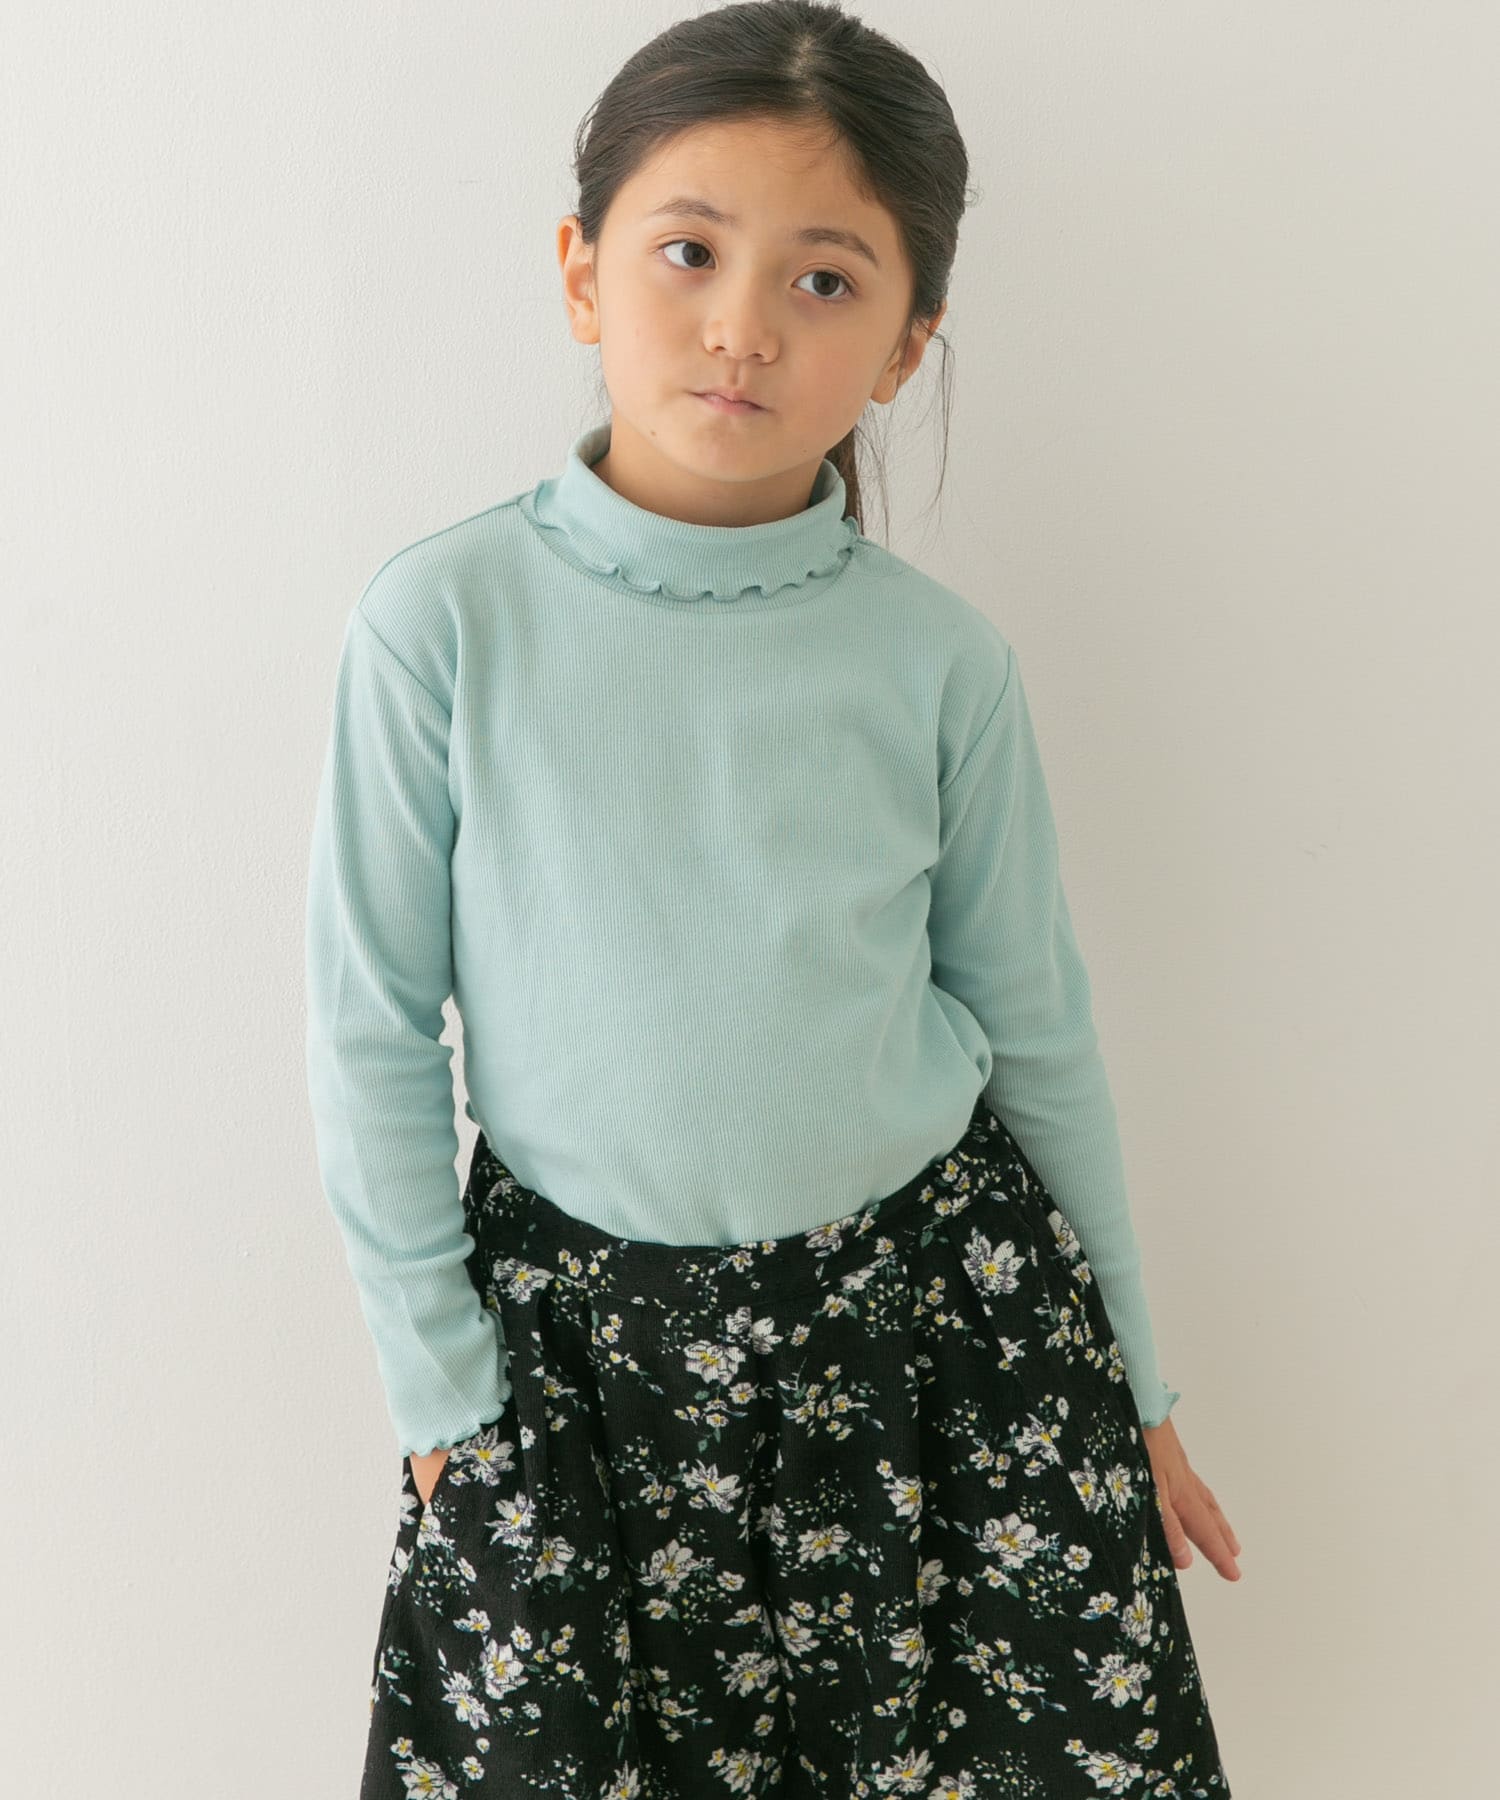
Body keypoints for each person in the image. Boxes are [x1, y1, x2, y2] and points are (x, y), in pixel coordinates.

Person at [303, 4, 1241, 1795]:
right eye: (689, 253)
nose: (743, 325)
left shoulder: (938, 663)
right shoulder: (443, 625)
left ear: (906, 345)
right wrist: (441, 1395)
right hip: (576, 1369)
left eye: (824, 281)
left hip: (939, 1336)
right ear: (580, 274)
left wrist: (1137, 1381)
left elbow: (1038, 1027)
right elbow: (368, 1032)